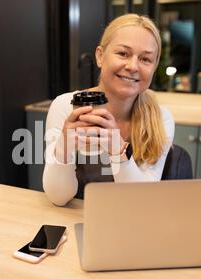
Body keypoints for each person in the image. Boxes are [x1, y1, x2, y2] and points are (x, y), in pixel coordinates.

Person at [43, 14, 175, 206]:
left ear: (154, 67)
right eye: (123, 53)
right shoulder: (65, 106)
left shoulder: (161, 118)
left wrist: (117, 152)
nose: (132, 66)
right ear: (100, 56)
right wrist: (63, 147)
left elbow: (141, 202)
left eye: (146, 59)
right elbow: (58, 197)